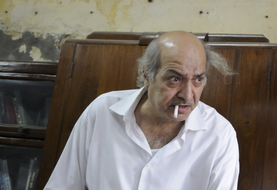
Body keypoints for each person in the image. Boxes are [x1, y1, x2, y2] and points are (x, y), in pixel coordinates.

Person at [44, 31, 240, 190]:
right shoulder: (102, 111)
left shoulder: (219, 134)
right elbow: (63, 185)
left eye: (198, 79)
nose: (188, 96)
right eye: (175, 79)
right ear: (147, 75)